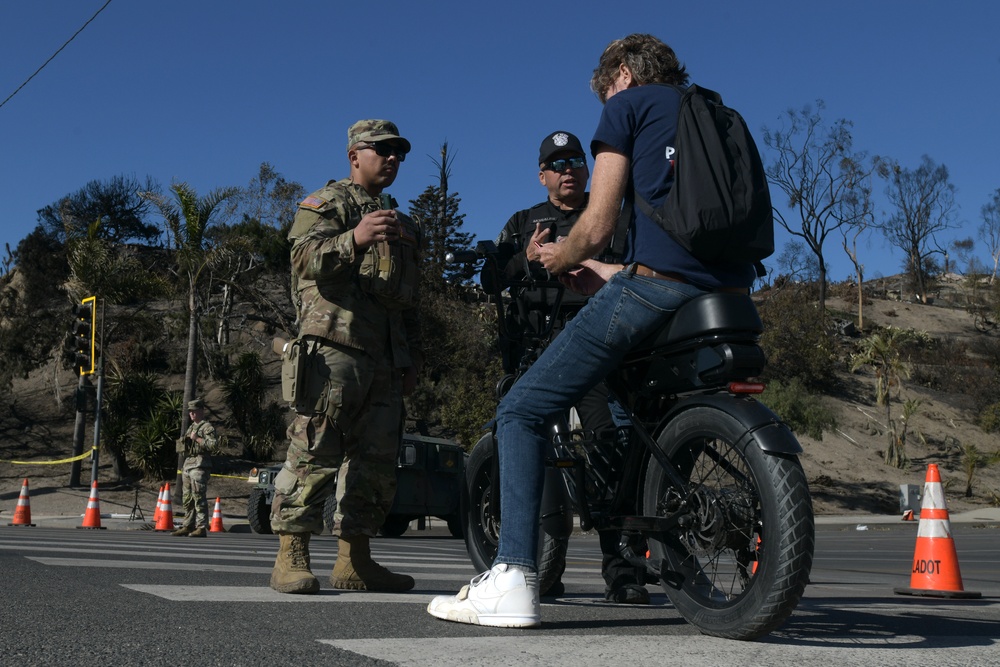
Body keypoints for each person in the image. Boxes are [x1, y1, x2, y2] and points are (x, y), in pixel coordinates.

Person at [428, 33, 756, 628]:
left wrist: (561, 257)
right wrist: (603, 274)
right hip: (724, 295)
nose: (606, 99)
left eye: (606, 89)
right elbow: (668, 239)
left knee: (520, 412)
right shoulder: (714, 111)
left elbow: (598, 223)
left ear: (623, 74)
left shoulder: (630, 105)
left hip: (656, 291)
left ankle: (513, 577)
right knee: (635, 416)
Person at [269, 119, 423, 595]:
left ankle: (355, 559)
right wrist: (353, 239)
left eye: (398, 151)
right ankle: (290, 554)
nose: (393, 158)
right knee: (316, 449)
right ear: (355, 155)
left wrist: (411, 359)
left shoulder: (403, 222)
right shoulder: (327, 203)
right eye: (383, 150)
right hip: (333, 348)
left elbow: (410, 299)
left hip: (385, 359)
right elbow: (300, 260)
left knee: (375, 462)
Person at [495, 130, 649, 604]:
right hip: (539, 351)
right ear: (542, 175)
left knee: (610, 451)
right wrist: (523, 261)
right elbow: (489, 276)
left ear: (589, 170)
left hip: (598, 352)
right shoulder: (523, 223)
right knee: (532, 450)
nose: (568, 171)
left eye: (576, 162)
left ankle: (622, 571)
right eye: (557, 164)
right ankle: (538, 568)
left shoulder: (610, 218)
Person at [172, 398, 216, 538]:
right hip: (189, 463)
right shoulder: (191, 427)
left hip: (199, 464)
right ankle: (188, 524)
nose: (192, 414)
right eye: (190, 412)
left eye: (194, 411)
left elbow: (213, 445)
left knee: (198, 496)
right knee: (187, 497)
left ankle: (201, 526)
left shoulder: (207, 427)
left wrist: (197, 438)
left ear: (200, 411)